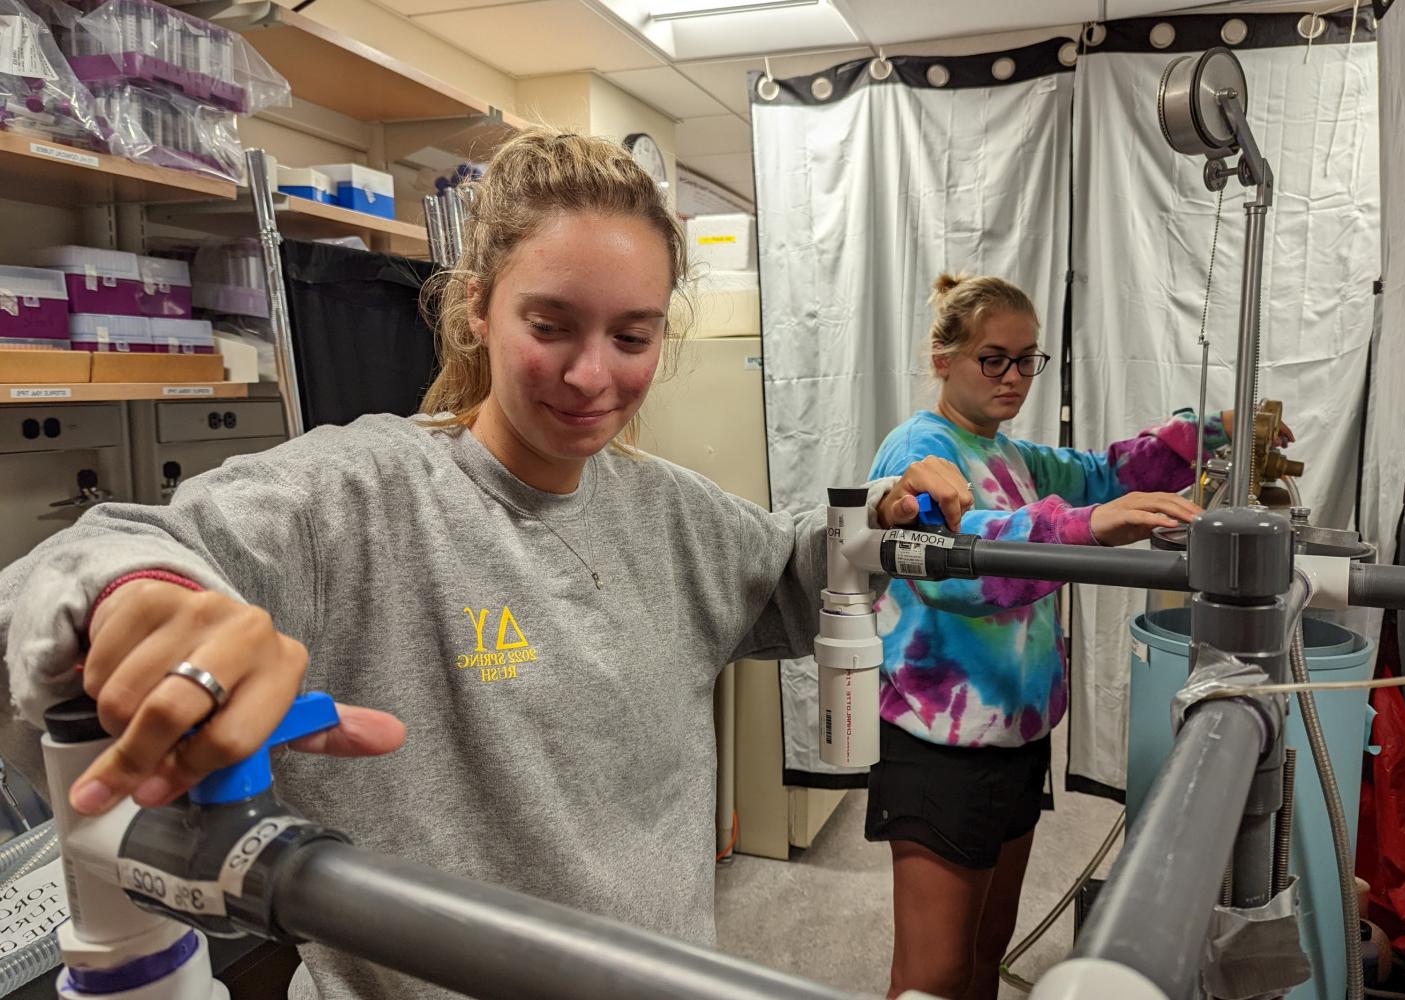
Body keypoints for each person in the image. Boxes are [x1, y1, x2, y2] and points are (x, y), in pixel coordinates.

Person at [0, 129, 972, 999]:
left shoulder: (668, 509)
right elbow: (87, 555)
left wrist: (883, 516)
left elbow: (801, 570)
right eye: (550, 326)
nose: (594, 376)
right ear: (476, 309)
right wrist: (147, 597)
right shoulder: (365, 492)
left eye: (631, 336)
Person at [865, 273, 1284, 1000]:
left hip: (1017, 739)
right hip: (941, 750)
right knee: (931, 978)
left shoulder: (1011, 455)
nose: (1014, 377)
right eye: (993, 358)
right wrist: (1091, 525)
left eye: (1028, 360)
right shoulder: (917, 455)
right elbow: (963, 568)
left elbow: (1104, 471)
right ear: (942, 356)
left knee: (983, 955)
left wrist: (1213, 431)